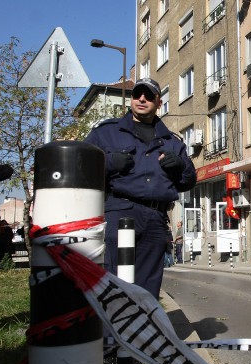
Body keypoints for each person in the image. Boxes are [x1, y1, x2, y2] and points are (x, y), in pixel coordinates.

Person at [84, 78, 196, 299]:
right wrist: (108, 163)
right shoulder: (107, 133)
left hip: (155, 218)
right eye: (137, 95)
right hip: (119, 212)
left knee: (147, 289)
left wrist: (180, 164)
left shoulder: (172, 142)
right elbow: (80, 167)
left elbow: (189, 181)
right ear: (132, 99)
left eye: (148, 95)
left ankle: (143, 331)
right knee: (114, 282)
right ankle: (113, 333)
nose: (142, 99)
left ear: (158, 101)